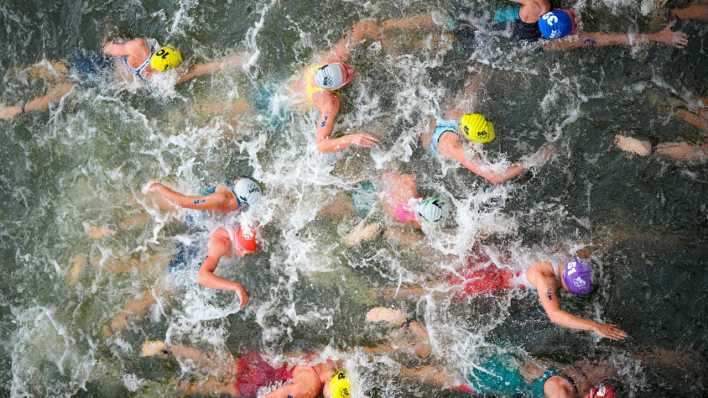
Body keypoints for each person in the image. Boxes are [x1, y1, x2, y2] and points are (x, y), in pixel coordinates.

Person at [383, 245, 628, 340]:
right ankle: (384, 294)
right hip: (491, 280)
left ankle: (389, 289)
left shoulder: (566, 257)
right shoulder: (547, 282)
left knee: (438, 278)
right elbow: (555, 316)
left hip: (494, 260)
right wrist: (596, 326)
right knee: (438, 291)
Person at [363, 307, 618, 397]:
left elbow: (611, 366)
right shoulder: (563, 391)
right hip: (499, 374)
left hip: (506, 369)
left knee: (444, 363)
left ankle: (383, 355)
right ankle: (406, 324)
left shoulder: (579, 380)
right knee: (443, 365)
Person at [0, 37, 248, 119]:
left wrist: (236, 61)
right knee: (60, 80)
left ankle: (16, 99)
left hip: (102, 72)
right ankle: (16, 105)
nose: (151, 74)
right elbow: (202, 68)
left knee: (58, 74)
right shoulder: (159, 73)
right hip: (104, 77)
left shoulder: (139, 47)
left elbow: (109, 47)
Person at [419, 75, 555, 184]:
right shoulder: (453, 147)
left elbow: (479, 75)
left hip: (435, 120)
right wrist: (532, 161)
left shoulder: (463, 107)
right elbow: (495, 177)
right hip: (429, 142)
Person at [139, 340, 351, 398]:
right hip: (260, 383)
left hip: (263, 362)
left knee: (216, 362)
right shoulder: (309, 389)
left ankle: (167, 348)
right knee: (214, 387)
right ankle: (172, 387)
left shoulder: (333, 360)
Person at [318, 171, 446, 247]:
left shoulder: (409, 185)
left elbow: (386, 174)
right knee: (334, 205)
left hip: (370, 194)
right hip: (369, 202)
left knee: (332, 199)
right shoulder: (414, 218)